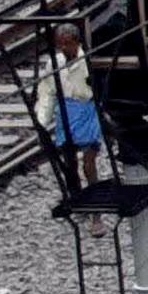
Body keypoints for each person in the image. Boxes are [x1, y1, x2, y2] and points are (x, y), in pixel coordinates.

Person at [37, 26, 103, 183]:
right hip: (66, 111)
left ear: (76, 42)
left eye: (67, 43)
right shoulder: (54, 63)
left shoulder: (87, 60)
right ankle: (76, 192)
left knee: (89, 159)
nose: (63, 48)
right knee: (69, 160)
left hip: (87, 111)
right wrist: (42, 121)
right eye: (60, 44)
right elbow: (48, 93)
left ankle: (94, 188)